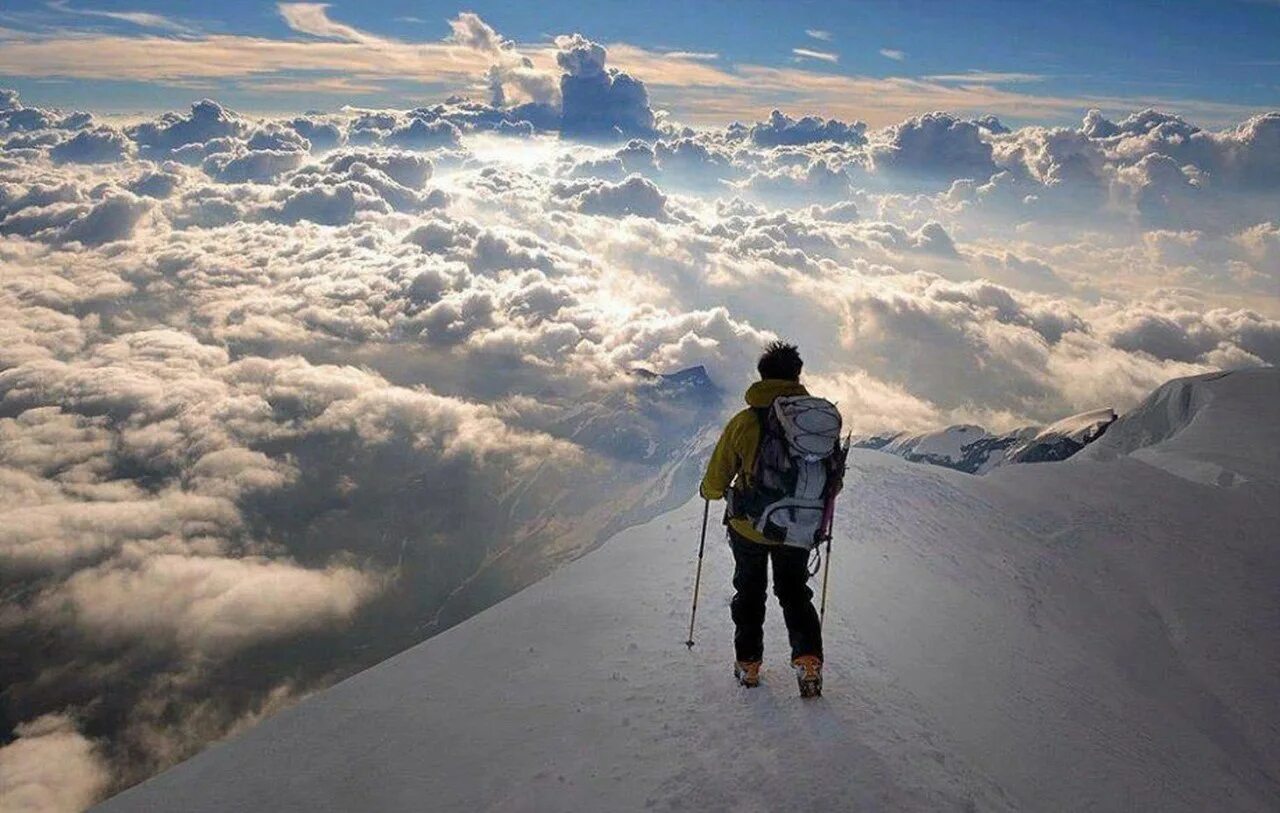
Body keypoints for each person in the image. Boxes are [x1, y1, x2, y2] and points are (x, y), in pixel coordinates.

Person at [699, 340, 824, 692]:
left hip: (750, 527)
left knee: (750, 592)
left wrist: (709, 492)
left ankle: (749, 666)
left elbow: (717, 478)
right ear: (798, 376)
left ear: (761, 376)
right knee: (795, 592)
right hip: (797, 526)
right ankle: (808, 663)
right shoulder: (814, 424)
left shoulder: (744, 422)